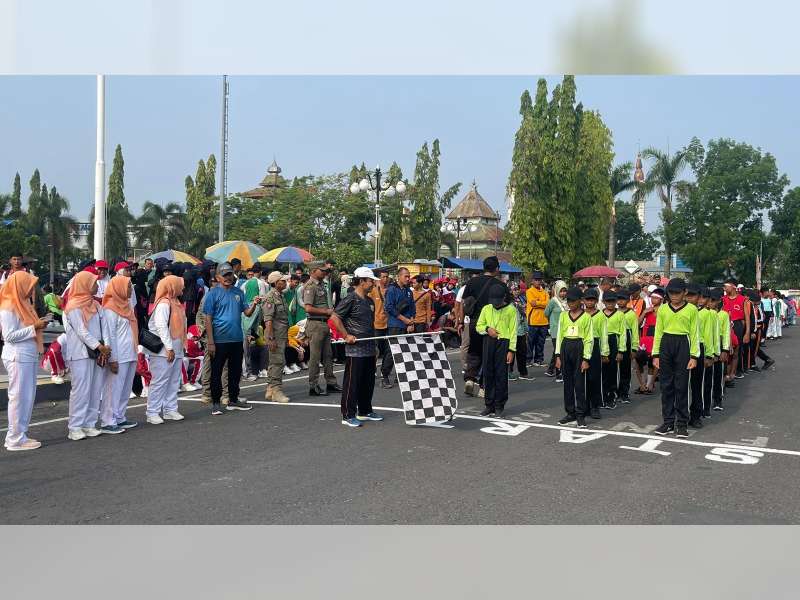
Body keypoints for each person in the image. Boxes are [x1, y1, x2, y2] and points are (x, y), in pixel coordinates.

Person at [204, 262, 262, 414]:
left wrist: (255, 304)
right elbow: (208, 318)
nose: (228, 277)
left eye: (230, 274)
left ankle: (233, 400)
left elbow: (247, 313)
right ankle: (216, 403)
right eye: (225, 275)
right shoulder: (212, 294)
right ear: (218, 277)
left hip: (236, 338)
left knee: (235, 372)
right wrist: (210, 341)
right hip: (219, 340)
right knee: (216, 372)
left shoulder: (238, 292)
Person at [330, 267, 384, 427]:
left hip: (369, 347)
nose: (373, 284)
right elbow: (335, 317)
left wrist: (374, 345)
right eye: (371, 281)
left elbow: (370, 324)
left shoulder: (369, 300)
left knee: (368, 381)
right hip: (355, 349)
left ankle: (365, 411)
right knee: (352, 382)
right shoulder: (350, 299)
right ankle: (348, 414)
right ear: (361, 281)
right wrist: (346, 335)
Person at [0, 271, 47, 451]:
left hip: (27, 354)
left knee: (26, 398)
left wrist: (37, 325)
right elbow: (9, 336)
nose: (31, 289)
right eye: (29, 285)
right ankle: (14, 439)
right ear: (19, 285)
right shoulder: (8, 306)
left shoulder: (23, 303)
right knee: (19, 398)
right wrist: (34, 327)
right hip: (17, 356)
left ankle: (21, 434)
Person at [63, 270, 111, 441]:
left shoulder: (96, 305)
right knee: (81, 390)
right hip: (81, 353)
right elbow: (81, 331)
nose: (97, 285)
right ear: (84, 284)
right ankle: (75, 427)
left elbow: (104, 326)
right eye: (93, 282)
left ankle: (89, 424)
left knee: (95, 388)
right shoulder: (73, 306)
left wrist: (106, 345)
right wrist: (99, 346)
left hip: (98, 352)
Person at [652, 278, 700, 438]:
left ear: (685, 293)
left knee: (681, 385)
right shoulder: (663, 309)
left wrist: (694, 356)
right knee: (666, 386)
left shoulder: (692, 310)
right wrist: (656, 354)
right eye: (671, 293)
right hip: (666, 343)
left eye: (677, 293)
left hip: (683, 345)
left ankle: (681, 423)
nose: (674, 296)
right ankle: (668, 422)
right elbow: (658, 332)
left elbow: (694, 333)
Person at [460, 257, 509, 397]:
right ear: (497, 269)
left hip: (474, 323)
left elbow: (465, 302)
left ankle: (469, 379)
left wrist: (462, 321)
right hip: (492, 326)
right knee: (488, 357)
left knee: (474, 353)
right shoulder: (500, 285)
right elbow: (506, 305)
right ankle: (483, 387)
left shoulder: (472, 282)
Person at [99, 274, 139, 433]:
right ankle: (108, 421)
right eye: (128, 286)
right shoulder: (110, 308)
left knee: (124, 388)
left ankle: (120, 416)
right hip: (119, 355)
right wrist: (112, 359)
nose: (131, 289)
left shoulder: (127, 306)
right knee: (112, 389)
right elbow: (110, 335)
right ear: (119, 288)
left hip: (130, 353)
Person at [145, 275, 187, 424]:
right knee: (160, 381)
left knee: (174, 380)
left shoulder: (176, 302)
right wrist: (169, 348)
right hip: (164, 350)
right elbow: (161, 327)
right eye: (179, 284)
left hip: (176, 348)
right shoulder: (164, 303)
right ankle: (152, 412)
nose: (182, 287)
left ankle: (170, 409)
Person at [475, 285, 518, 418]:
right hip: (489, 342)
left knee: (501, 375)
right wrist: (488, 329)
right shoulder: (486, 309)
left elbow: (513, 332)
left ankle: (499, 405)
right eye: (492, 300)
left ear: (503, 298)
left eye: (497, 300)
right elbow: (478, 326)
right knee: (488, 373)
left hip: (504, 343)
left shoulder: (511, 310)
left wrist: (511, 350)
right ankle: (489, 405)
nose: (494, 303)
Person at [553, 286, 593, 428]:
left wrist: (586, 359)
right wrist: (557, 356)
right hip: (566, 347)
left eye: (573, 301)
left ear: (580, 301)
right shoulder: (564, 315)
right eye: (569, 301)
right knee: (567, 383)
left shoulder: (586, 317)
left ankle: (581, 414)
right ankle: (570, 413)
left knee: (579, 384)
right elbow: (559, 336)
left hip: (579, 348)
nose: (571, 303)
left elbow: (589, 339)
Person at [302, 261, 341, 396]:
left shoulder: (321, 285)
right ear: (313, 270)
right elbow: (308, 308)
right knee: (315, 357)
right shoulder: (310, 286)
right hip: (315, 324)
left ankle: (330, 382)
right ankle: (313, 385)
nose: (325, 272)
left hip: (323, 323)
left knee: (328, 355)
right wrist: (326, 311)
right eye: (322, 270)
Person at [381, 267, 416, 388]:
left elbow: (412, 307)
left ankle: (400, 375)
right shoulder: (391, 290)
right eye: (405, 276)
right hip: (395, 325)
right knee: (391, 351)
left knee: (405, 351)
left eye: (409, 276)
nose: (408, 278)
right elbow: (389, 308)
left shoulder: (408, 291)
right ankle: (385, 375)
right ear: (399, 276)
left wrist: (411, 321)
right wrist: (404, 319)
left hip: (407, 325)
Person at [263, 271, 291, 403]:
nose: (285, 283)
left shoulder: (281, 296)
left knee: (275, 361)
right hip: (274, 335)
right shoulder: (270, 297)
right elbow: (268, 320)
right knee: (278, 362)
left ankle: (270, 388)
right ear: (275, 283)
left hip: (281, 334)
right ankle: (276, 390)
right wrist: (271, 338)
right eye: (282, 281)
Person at [583, 288, 608, 419]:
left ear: (596, 301)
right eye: (587, 299)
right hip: (582, 346)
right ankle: (584, 406)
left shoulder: (600, 316)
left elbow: (604, 335)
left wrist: (604, 353)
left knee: (594, 378)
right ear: (583, 300)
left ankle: (595, 406)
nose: (590, 302)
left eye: (592, 299)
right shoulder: (580, 314)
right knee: (582, 379)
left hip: (595, 346)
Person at [635, 287, 663, 395]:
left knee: (653, 363)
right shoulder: (648, 309)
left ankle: (649, 385)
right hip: (645, 339)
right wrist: (644, 313)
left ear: (661, 299)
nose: (653, 300)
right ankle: (642, 385)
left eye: (656, 298)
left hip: (656, 339)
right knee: (638, 361)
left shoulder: (663, 310)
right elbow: (637, 323)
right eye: (652, 297)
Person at [601, 291, 626, 409]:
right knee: (602, 371)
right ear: (603, 302)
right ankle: (603, 395)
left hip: (614, 341)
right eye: (607, 301)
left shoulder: (620, 315)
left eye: (612, 301)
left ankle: (612, 395)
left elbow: (623, 334)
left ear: (615, 302)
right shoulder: (600, 314)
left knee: (613, 370)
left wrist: (621, 351)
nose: (610, 303)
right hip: (602, 342)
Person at [616, 289, 639, 404]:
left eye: (623, 299)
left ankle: (624, 393)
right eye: (618, 299)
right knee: (615, 369)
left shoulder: (631, 314)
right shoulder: (614, 312)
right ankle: (614, 393)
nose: (620, 302)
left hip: (627, 342)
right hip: (616, 341)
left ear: (628, 300)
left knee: (625, 369)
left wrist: (634, 348)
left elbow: (635, 331)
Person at [709, 288, 731, 411]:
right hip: (708, 348)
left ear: (718, 301)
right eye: (709, 300)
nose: (710, 303)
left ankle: (718, 399)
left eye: (713, 301)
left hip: (720, 347)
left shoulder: (723, 315)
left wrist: (725, 350)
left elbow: (726, 333)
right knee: (708, 376)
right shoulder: (704, 313)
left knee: (718, 375)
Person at [722, 277, 748, 379]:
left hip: (738, 326)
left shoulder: (743, 299)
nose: (724, 288)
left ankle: (733, 373)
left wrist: (747, 333)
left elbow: (746, 318)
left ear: (733, 286)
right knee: (726, 350)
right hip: (725, 326)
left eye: (725, 286)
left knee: (736, 351)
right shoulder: (722, 299)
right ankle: (726, 374)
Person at [508, 283, 533, 381]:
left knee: (522, 352)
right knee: (511, 352)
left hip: (522, 329)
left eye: (517, 289)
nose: (516, 291)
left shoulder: (522, 299)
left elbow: (524, 315)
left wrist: (526, 329)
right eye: (514, 289)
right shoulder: (508, 301)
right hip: (512, 330)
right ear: (510, 290)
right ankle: (509, 372)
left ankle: (523, 372)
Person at [544, 280, 567, 379]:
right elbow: (546, 313)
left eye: (565, 291)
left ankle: (550, 370)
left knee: (557, 351)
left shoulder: (567, 301)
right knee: (559, 351)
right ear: (557, 290)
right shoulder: (553, 301)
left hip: (565, 330)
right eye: (561, 291)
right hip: (555, 330)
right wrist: (552, 321)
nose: (563, 293)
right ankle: (559, 373)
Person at [525, 271, 549, 367]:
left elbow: (548, 303)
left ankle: (538, 359)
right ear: (532, 281)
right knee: (530, 342)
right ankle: (528, 360)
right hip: (533, 320)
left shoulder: (545, 292)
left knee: (541, 342)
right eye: (536, 280)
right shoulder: (529, 291)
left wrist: (538, 302)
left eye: (539, 280)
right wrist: (542, 303)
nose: (538, 281)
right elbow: (532, 303)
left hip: (543, 321)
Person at [369, 269, 390, 374]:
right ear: (378, 278)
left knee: (388, 349)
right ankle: (372, 368)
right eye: (383, 277)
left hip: (389, 324)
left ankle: (384, 370)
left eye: (387, 277)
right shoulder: (373, 291)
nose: (385, 279)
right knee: (375, 349)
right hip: (376, 324)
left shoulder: (391, 290)